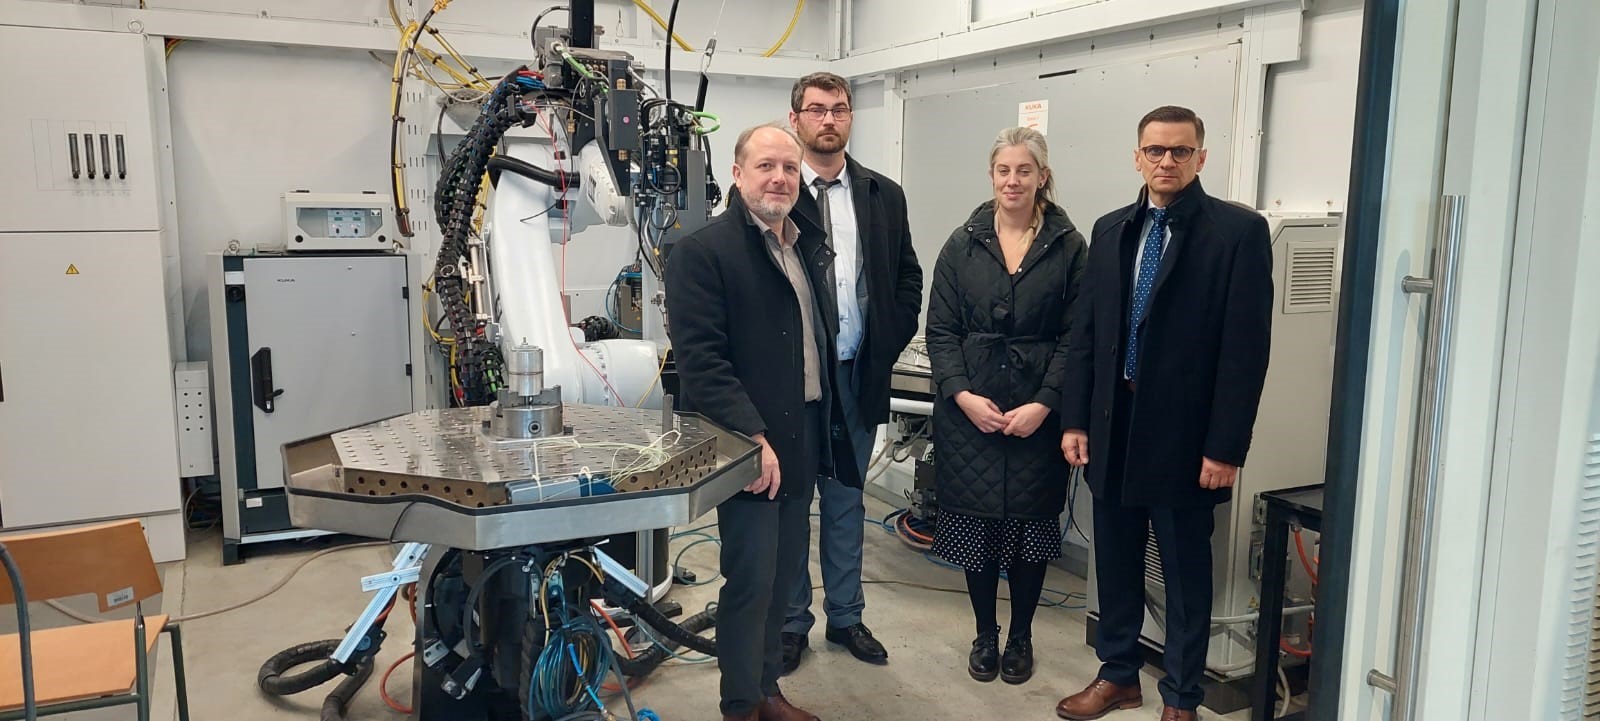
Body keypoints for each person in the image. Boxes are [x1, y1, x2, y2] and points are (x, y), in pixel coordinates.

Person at [1054, 106, 1273, 721]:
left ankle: (1181, 697)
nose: (1166, 161)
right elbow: (1086, 335)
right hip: (1113, 426)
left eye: (1180, 151)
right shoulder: (1111, 229)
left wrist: (1225, 446)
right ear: (1138, 157)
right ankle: (1118, 675)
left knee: (1184, 572)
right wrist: (1075, 419)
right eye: (1155, 150)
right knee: (1116, 561)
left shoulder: (1237, 233)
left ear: (1201, 157)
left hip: (1185, 437)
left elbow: (1246, 351)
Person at [664, 122, 836, 721]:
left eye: (789, 168)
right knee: (751, 580)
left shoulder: (803, 244)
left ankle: (767, 691)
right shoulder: (701, 252)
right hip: (748, 442)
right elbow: (702, 362)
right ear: (738, 175)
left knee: (785, 576)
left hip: (803, 431)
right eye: (766, 166)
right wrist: (753, 438)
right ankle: (739, 705)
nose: (779, 178)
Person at [925, 127, 1088, 687]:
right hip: (971, 415)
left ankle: (1021, 636)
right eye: (1003, 170)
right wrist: (962, 395)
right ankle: (984, 633)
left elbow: (1076, 337)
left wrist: (1045, 404)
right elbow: (941, 331)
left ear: (1042, 176)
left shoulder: (1069, 247)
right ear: (991, 176)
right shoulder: (961, 243)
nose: (1012, 181)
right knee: (977, 533)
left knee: (1029, 532)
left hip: (1036, 418)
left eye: (1024, 170)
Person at [780, 71, 924, 674]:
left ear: (850, 117)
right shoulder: (776, 188)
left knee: (845, 500)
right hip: (793, 383)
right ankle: (791, 624)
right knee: (791, 505)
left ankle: (845, 616)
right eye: (816, 110)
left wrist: (886, 344)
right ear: (795, 119)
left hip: (857, 374)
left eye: (838, 109)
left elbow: (907, 275)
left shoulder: (883, 194)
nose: (829, 119)